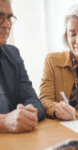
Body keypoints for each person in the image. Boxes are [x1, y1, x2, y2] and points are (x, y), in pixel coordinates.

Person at [0, 0, 45, 133]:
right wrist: (3, 121)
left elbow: (30, 98)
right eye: (0, 17)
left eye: (9, 18)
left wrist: (27, 114)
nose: (7, 25)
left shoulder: (13, 54)